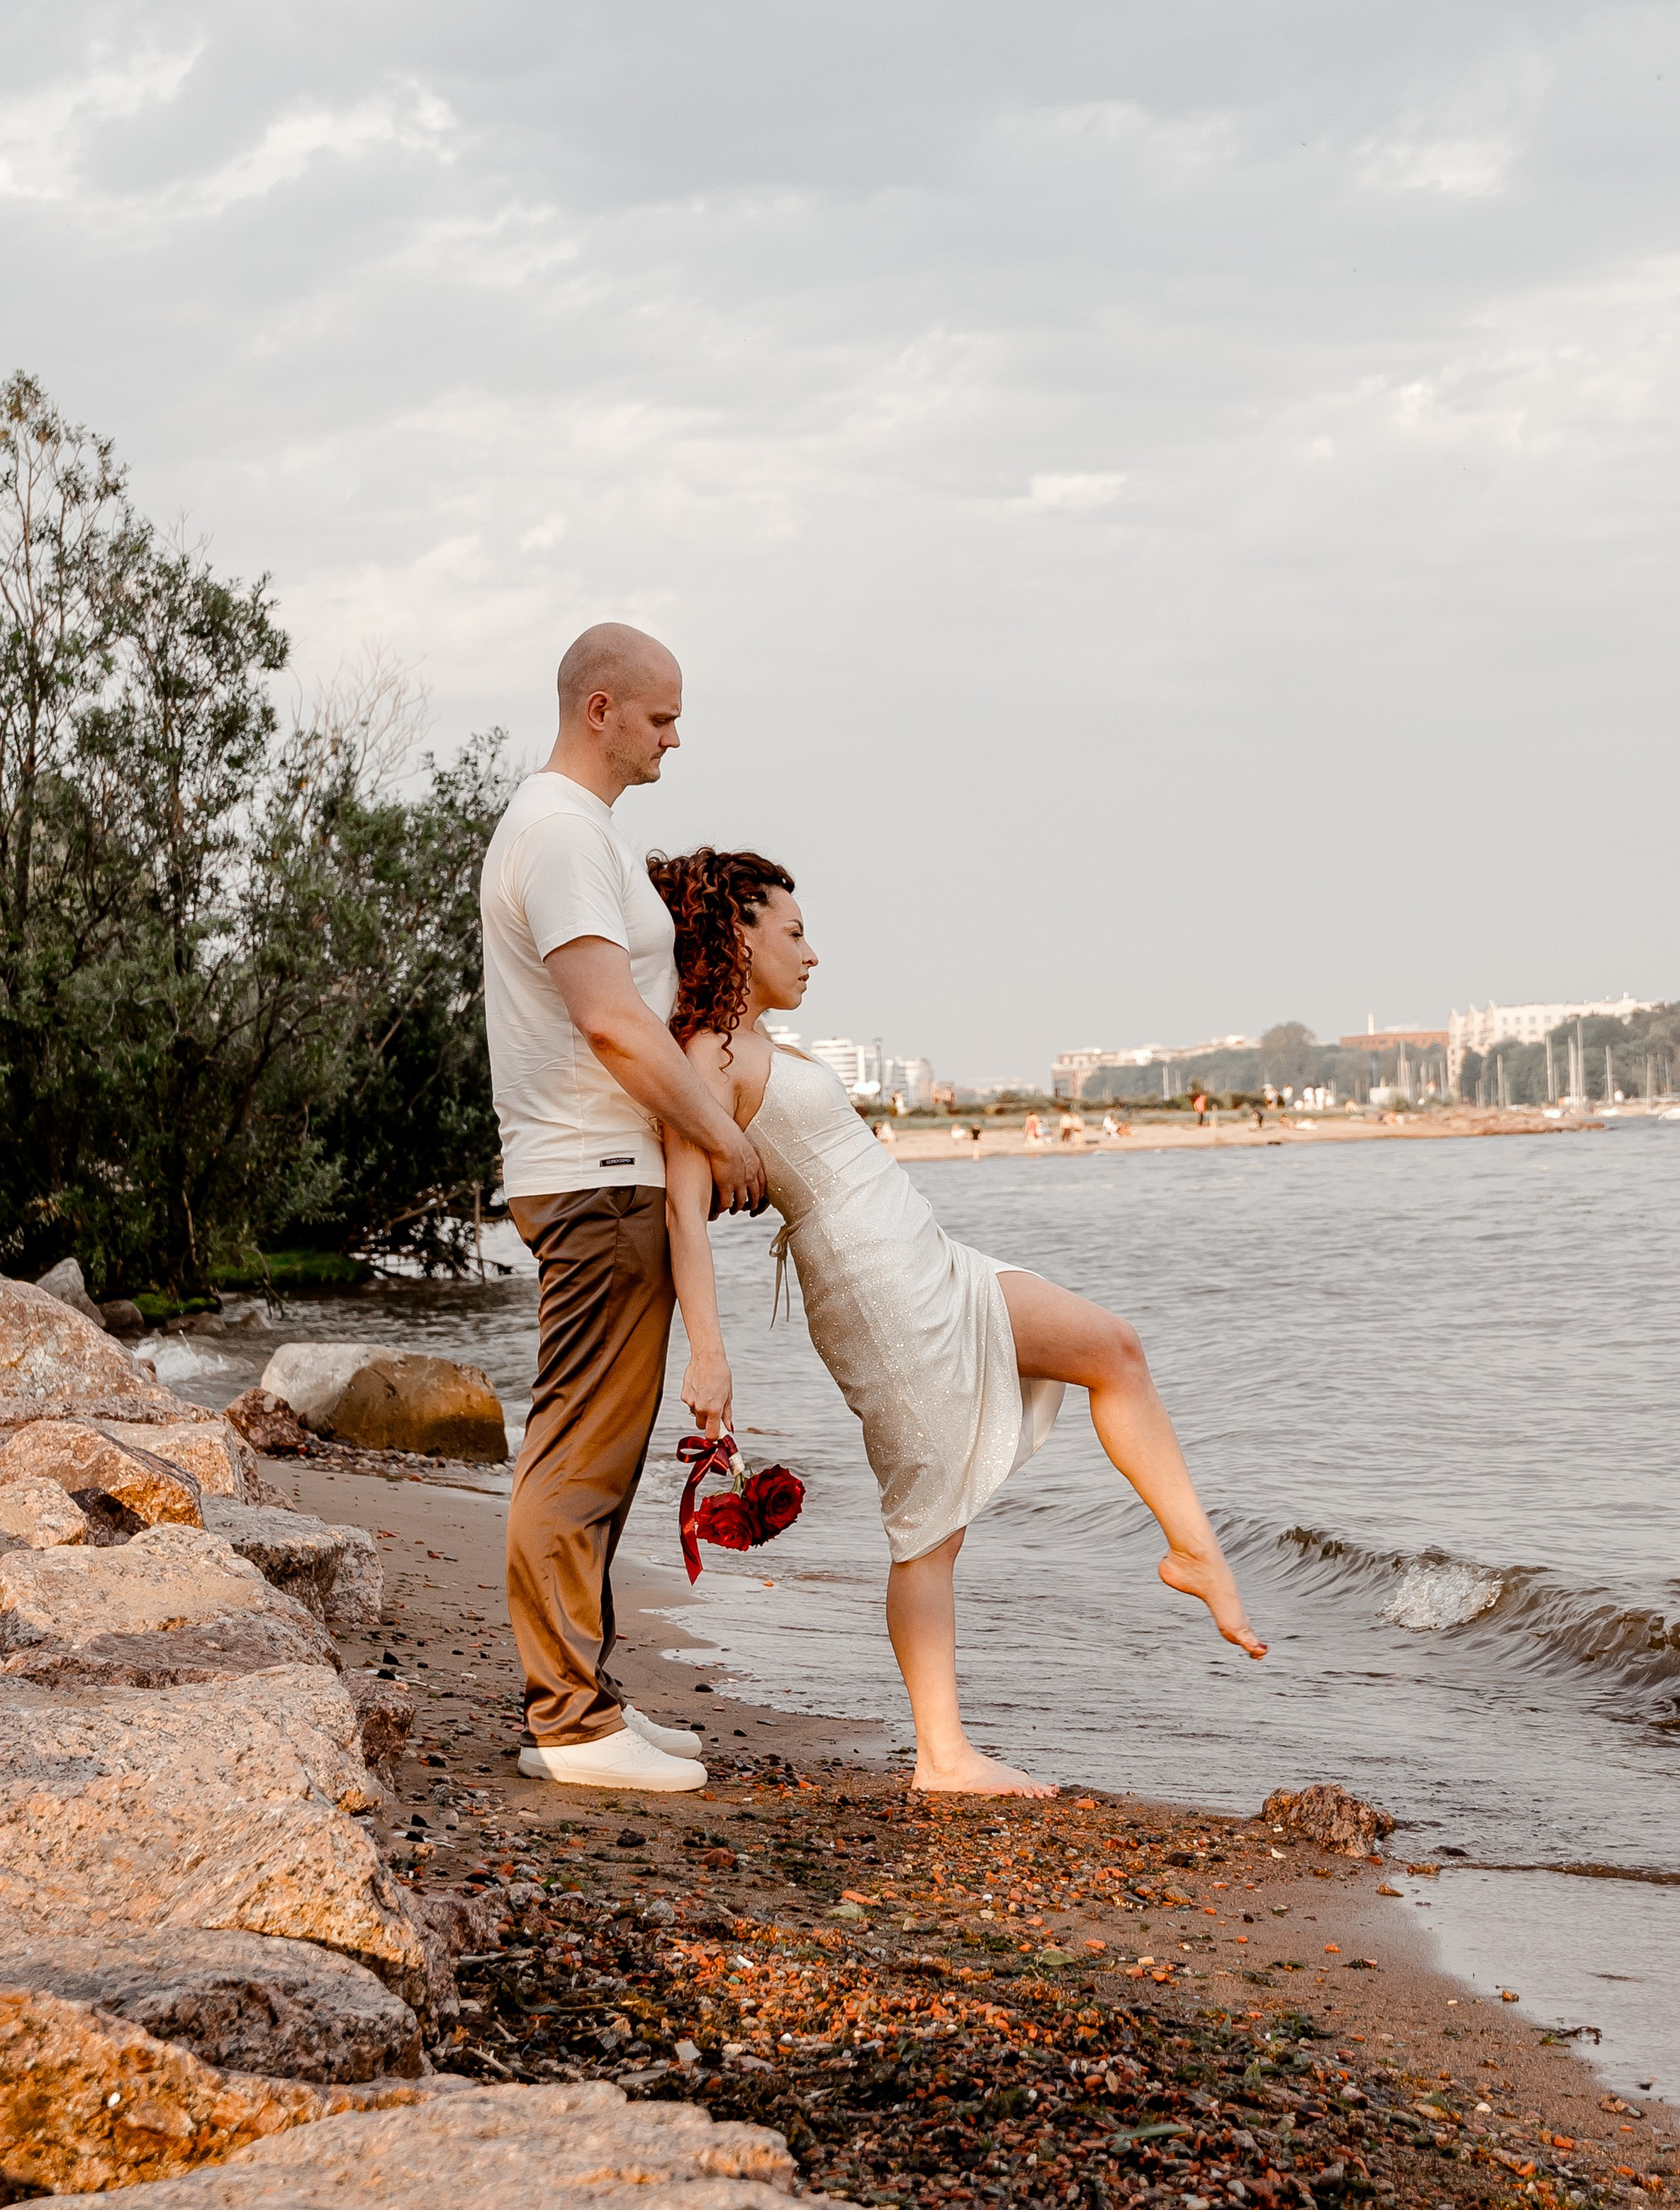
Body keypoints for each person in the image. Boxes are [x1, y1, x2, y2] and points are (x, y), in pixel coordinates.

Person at [649, 849, 1266, 1799]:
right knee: (928, 1525)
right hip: (876, 1289)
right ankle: (943, 1756)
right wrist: (710, 1355)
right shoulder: (705, 1056)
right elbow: (683, 1212)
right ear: (739, 933)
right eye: (795, 933)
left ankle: (1194, 1553)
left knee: (1115, 1349)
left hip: (929, 1259)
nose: (813, 955)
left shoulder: (754, 1042)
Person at [479, 625, 768, 1794]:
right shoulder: (555, 832)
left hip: (608, 1172)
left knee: (604, 1451)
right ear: (600, 708)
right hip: (594, 1172)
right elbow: (609, 1020)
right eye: (660, 718)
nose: (676, 737)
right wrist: (721, 1131)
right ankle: (571, 1725)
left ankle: (587, 1703)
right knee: (577, 1456)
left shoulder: (580, 832)